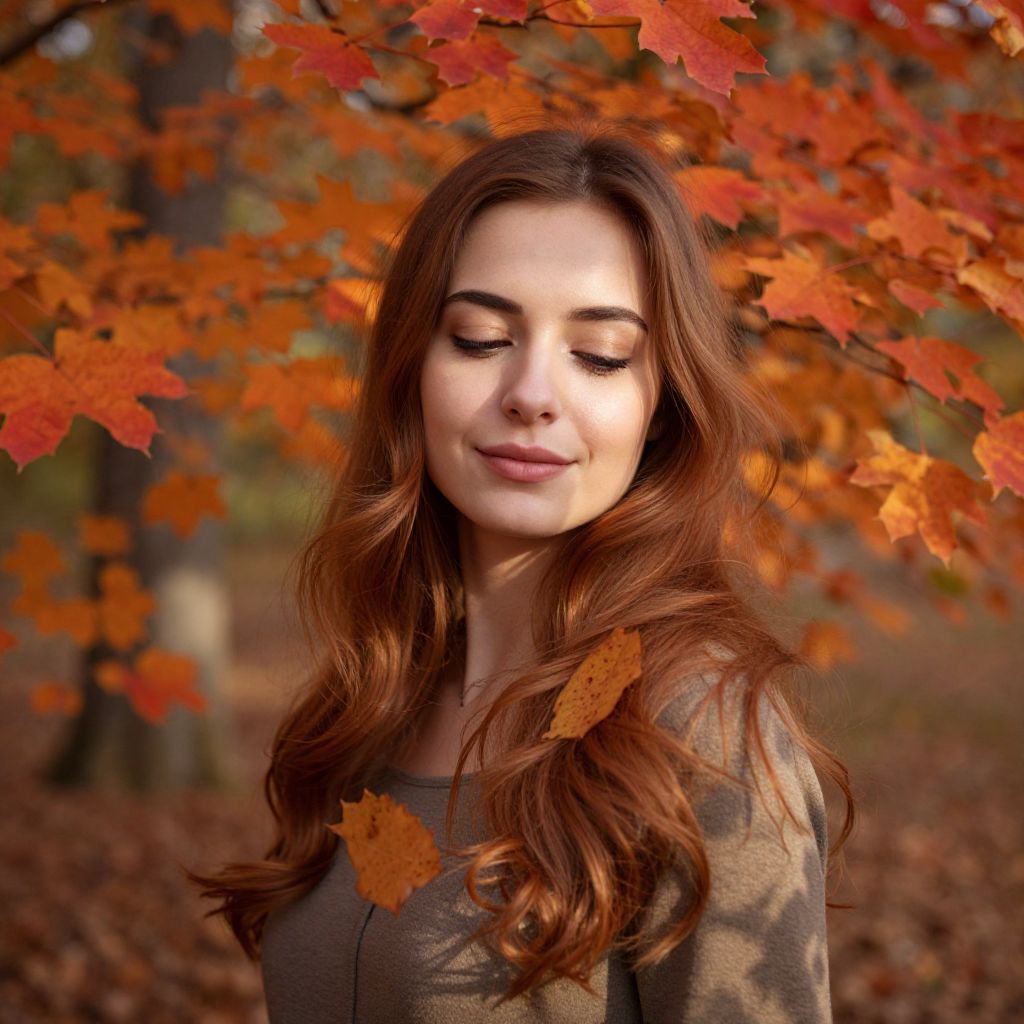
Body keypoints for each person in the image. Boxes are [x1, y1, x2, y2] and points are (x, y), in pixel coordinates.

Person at [189, 117, 855, 1022]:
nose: (532, 394)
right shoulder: (369, 701)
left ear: (660, 404)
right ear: (410, 370)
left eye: (600, 354)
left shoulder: (703, 733)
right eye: (478, 337)